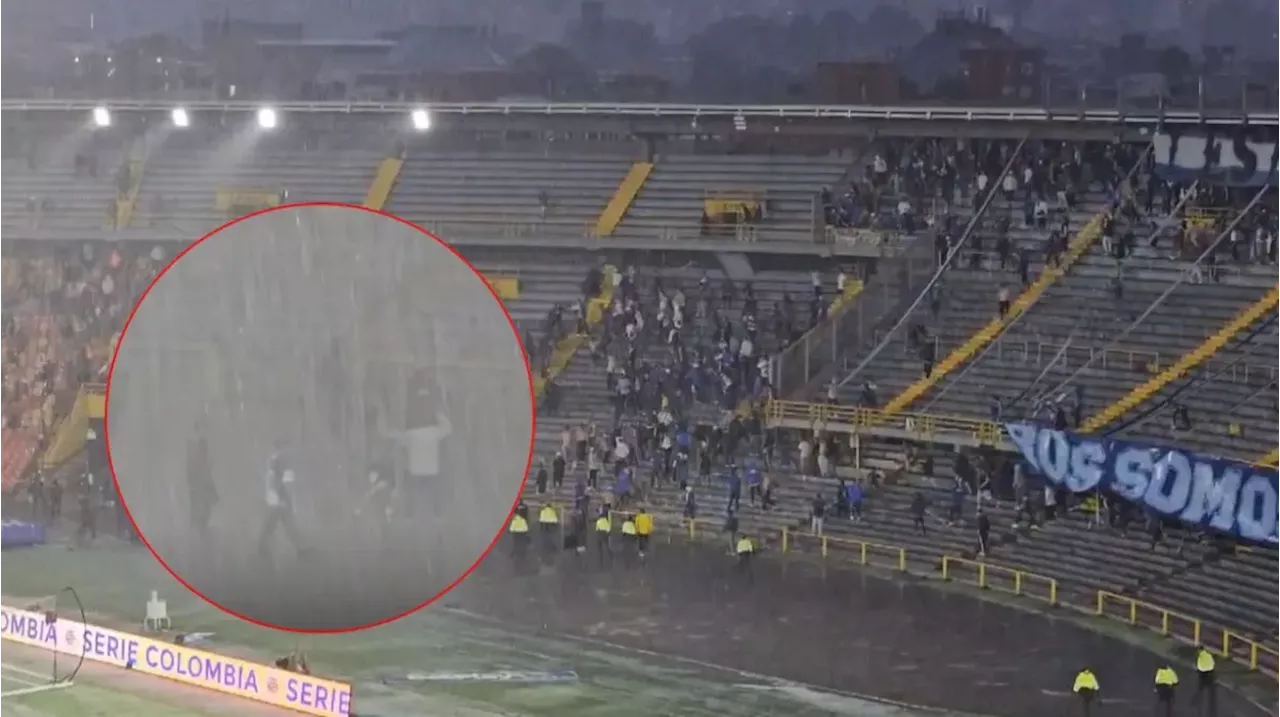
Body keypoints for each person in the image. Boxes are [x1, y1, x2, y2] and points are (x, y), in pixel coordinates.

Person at [255, 440, 306, 563]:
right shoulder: (277, 460)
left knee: (276, 525)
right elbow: (277, 480)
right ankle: (300, 548)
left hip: (276, 500)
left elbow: (275, 479)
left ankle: (262, 548)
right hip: (278, 500)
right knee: (281, 525)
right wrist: (284, 496)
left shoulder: (275, 460)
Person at [1193, 647, 1217, 716]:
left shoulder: (1200, 657)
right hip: (1210, 670)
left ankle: (1202, 688)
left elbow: (1199, 665)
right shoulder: (1209, 655)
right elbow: (1213, 662)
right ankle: (1209, 685)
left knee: (1202, 681)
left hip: (1203, 671)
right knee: (1210, 681)